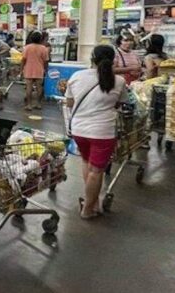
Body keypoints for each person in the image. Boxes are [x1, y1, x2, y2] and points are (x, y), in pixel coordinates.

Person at [65, 45, 128, 219]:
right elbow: (121, 102)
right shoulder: (119, 81)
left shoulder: (77, 76)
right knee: (97, 170)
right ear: (113, 60)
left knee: (87, 162)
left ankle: (93, 202)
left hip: (79, 130)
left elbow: (69, 103)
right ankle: (87, 209)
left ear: (92, 58)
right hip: (102, 133)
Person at [22, 31, 50, 110]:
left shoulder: (27, 47)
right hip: (39, 70)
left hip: (29, 69)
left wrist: (21, 69)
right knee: (39, 87)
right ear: (40, 39)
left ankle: (29, 105)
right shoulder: (43, 48)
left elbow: (23, 59)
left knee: (29, 87)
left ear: (31, 38)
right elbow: (46, 60)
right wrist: (46, 69)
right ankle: (38, 104)